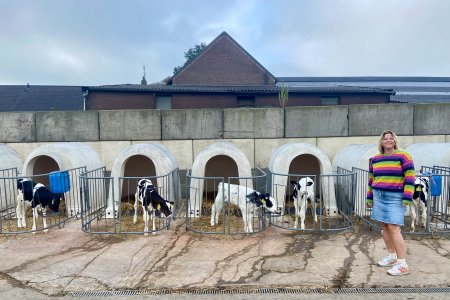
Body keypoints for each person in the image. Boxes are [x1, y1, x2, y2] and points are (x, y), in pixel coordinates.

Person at [366, 130, 415, 276]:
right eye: (385, 138)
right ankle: (392, 256)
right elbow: (371, 180)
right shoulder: (374, 159)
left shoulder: (403, 156)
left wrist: (407, 197)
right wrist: (369, 197)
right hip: (379, 196)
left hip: (395, 197)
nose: (388, 140)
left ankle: (402, 264)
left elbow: (410, 177)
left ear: (394, 140)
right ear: (381, 142)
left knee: (394, 228)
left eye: (391, 138)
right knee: (384, 227)